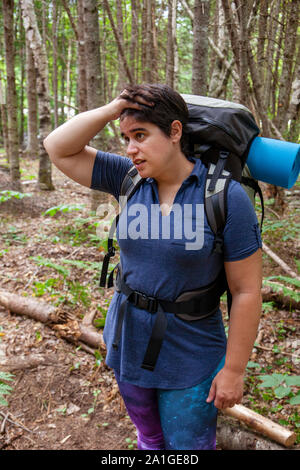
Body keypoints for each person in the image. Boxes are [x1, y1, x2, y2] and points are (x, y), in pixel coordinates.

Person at [43, 83, 262, 451]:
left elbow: (246, 291)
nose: (131, 149)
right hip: (128, 343)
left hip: (192, 355)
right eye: (126, 137)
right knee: (150, 440)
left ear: (175, 132)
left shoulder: (223, 196)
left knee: (188, 446)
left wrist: (234, 370)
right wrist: (115, 108)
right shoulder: (128, 178)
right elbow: (57, 147)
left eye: (141, 136)